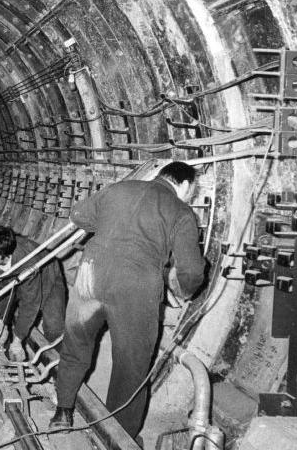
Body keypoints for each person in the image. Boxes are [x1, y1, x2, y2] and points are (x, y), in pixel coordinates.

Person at [49, 161, 206, 440]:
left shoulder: (118, 188)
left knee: (76, 343)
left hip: (90, 275)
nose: (190, 195)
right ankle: (117, 435)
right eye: (192, 190)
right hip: (135, 287)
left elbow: (78, 214)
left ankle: (62, 411)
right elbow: (192, 271)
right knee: (131, 365)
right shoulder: (181, 211)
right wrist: (182, 289)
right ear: (183, 184)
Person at [0, 226, 67, 360]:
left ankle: (58, 363)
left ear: (6, 256)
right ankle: (2, 354)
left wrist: (18, 340)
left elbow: (30, 305)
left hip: (46, 274)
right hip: (6, 276)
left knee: (54, 325)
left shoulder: (29, 263)